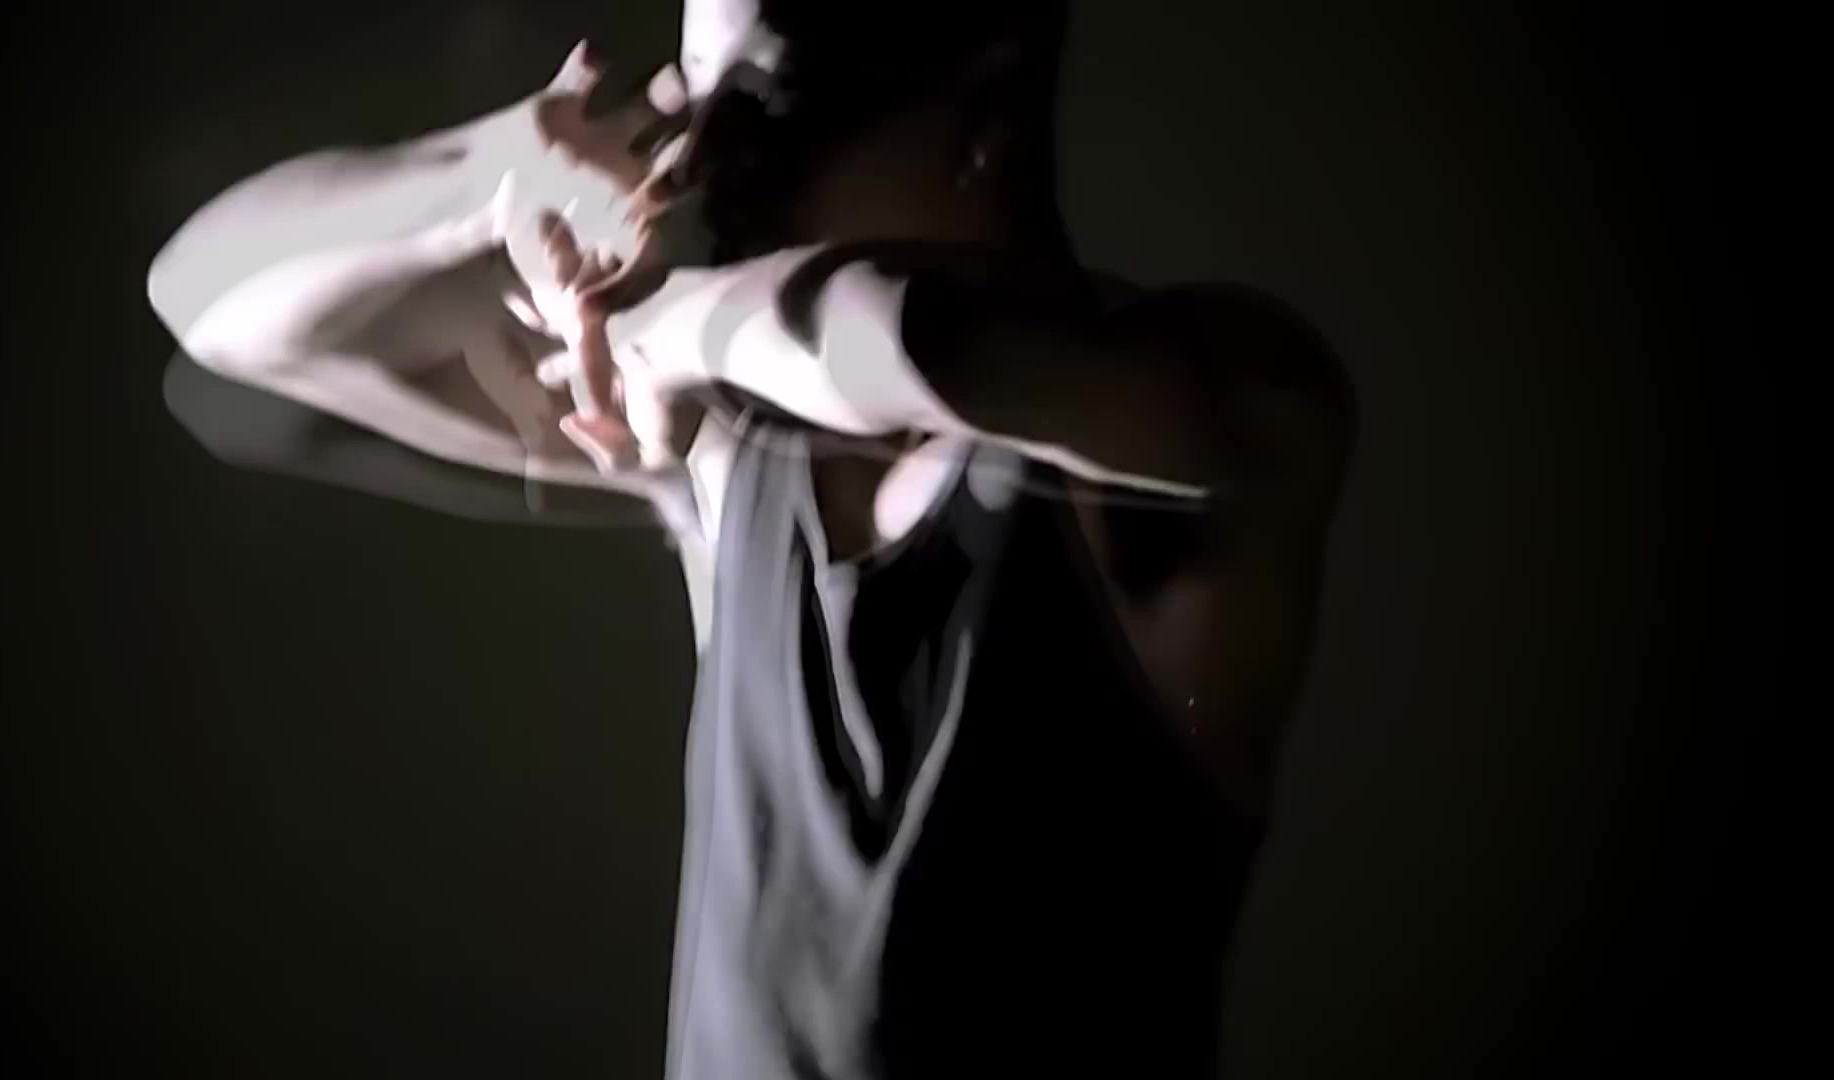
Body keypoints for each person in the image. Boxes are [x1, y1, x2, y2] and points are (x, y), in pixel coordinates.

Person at [147, 1, 1355, 1075]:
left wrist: (665, 331)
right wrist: (487, 171)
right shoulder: (729, 450)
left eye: (763, 102)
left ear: (979, 118)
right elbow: (207, 306)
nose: (697, 163)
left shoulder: (1218, 399)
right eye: (696, 103)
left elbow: (911, 340)